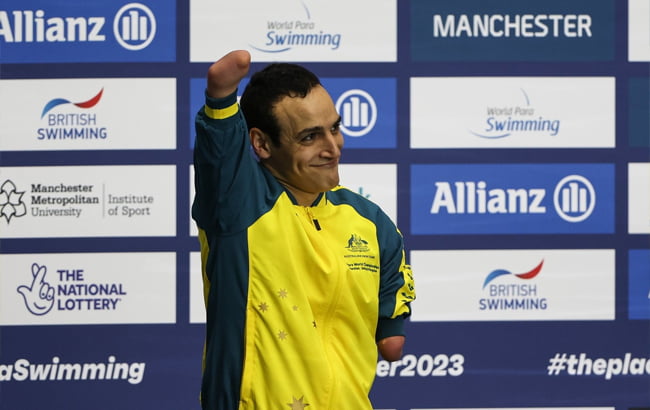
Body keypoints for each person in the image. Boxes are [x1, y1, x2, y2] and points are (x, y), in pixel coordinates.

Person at [192, 50, 415, 410]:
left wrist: (391, 327)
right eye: (310, 137)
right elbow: (219, 159)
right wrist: (220, 101)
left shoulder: (371, 222)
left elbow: (392, 323)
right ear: (262, 144)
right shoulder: (239, 207)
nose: (332, 148)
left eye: (334, 129)